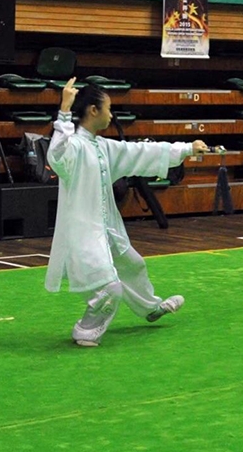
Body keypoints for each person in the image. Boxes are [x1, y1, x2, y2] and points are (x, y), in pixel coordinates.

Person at [45, 77, 208, 347]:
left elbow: (139, 152)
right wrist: (64, 111)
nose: (111, 115)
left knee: (134, 265)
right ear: (94, 111)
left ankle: (150, 308)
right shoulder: (74, 146)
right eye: (108, 108)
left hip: (106, 228)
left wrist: (185, 148)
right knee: (110, 288)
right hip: (84, 232)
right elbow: (56, 155)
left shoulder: (103, 147)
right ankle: (85, 330)